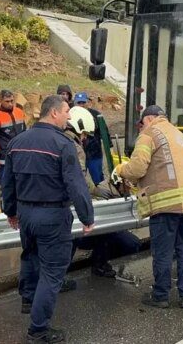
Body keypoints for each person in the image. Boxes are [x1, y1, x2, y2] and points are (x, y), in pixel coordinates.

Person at [2, 95, 95, 344]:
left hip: (25, 214)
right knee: (52, 273)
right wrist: (87, 217)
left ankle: (28, 299)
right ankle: (39, 330)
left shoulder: (17, 142)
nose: (69, 116)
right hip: (52, 215)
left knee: (30, 257)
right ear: (53, 113)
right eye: (66, 111)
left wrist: (10, 211)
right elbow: (76, 185)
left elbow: (7, 182)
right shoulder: (62, 144)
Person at [112, 105, 183, 309]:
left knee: (162, 251)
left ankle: (160, 295)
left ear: (150, 118)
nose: (141, 127)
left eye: (142, 122)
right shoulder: (178, 134)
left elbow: (136, 168)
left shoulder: (150, 133)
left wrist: (120, 169)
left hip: (166, 204)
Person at [65, 106, 140, 280]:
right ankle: (63, 275)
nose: (84, 139)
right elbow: (80, 180)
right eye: (83, 134)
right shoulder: (72, 147)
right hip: (70, 210)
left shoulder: (57, 141)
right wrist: (96, 190)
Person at [0, 90, 27, 189]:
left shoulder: (19, 112)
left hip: (21, 155)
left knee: (21, 185)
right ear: (0, 101)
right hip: (4, 157)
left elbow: (25, 133)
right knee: (6, 186)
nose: (10, 104)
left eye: (12, 101)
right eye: (7, 101)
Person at [74, 92, 106, 185]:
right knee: (78, 180)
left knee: (99, 180)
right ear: (75, 104)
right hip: (78, 155)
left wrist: (110, 147)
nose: (81, 105)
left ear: (88, 102)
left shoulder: (96, 115)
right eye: (79, 103)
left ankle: (105, 197)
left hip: (94, 154)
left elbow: (104, 132)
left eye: (83, 103)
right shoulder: (71, 116)